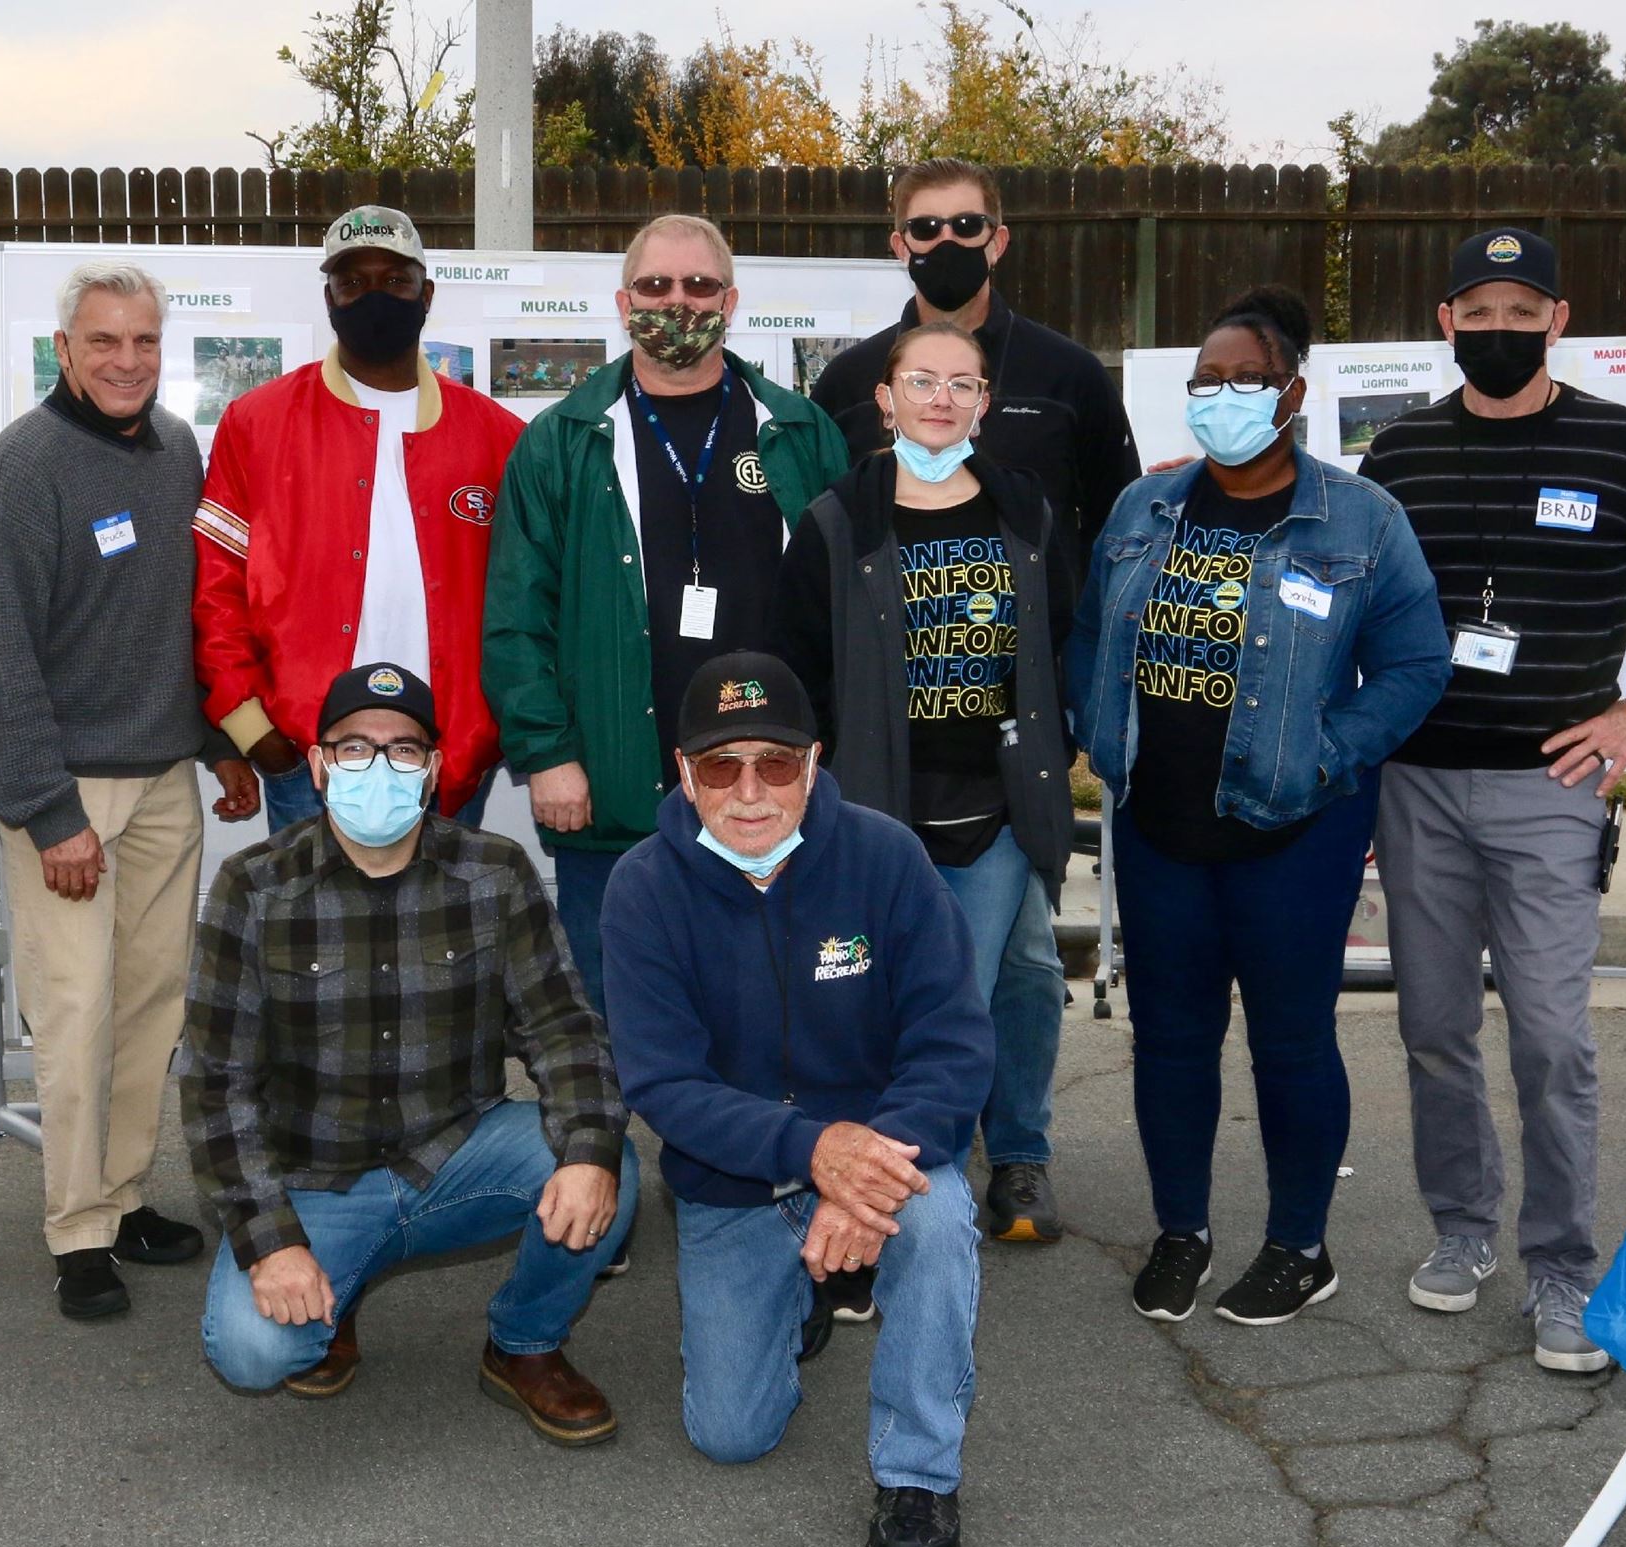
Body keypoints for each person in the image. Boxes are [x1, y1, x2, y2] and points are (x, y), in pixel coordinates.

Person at [1358, 229, 1626, 1372]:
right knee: (1432, 1030)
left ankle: (1558, 1265)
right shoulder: (1395, 455)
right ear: (1444, 321)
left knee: (1550, 1039)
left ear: (1558, 316)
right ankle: (1459, 1232)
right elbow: (1347, 606)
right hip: (1417, 787)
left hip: (1550, 789)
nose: (1498, 330)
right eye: (1476, 311)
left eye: (1519, 309)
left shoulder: (1619, 443)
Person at [1066, 286, 1450, 1328]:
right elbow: (1089, 633)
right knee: (1169, 1041)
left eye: (1245, 379)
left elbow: (1415, 665)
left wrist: (1334, 757)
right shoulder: (1142, 507)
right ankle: (1179, 1232)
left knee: (1288, 1043)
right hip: (1157, 829)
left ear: (1292, 392)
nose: (1222, 395)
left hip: (1295, 833)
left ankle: (1298, 1245)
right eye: (1205, 381)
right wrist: (1101, 736)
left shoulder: (1361, 519)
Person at [602, 652, 993, 1547]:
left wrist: (861, 1176)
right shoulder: (641, 886)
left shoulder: (887, 857)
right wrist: (813, 1150)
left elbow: (952, 1041)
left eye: (775, 764)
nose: (749, 793)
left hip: (879, 1156)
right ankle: (802, 1294)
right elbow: (661, 1084)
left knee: (937, 1222)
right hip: (735, 1181)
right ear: (682, 772)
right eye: (720, 766)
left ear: (813, 763)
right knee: (731, 1434)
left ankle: (918, 1474)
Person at [181, 665, 635, 1443]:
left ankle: (524, 1343)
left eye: (403, 749)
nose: (379, 767)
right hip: (316, 1177)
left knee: (611, 1171)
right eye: (354, 748)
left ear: (433, 769)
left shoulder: (495, 871)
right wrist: (274, 1241)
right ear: (319, 766)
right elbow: (216, 1084)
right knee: (253, 1349)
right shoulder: (252, 885)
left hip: (458, 1154)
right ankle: (334, 1285)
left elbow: (564, 1030)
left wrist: (589, 1152)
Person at [0, 259, 262, 1324]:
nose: (126, 362)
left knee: (150, 1005)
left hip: (166, 781)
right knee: (75, 1012)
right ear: (63, 351)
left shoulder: (178, 449)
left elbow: (184, 620)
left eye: (143, 342)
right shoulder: (20, 472)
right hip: (68, 798)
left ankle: (125, 1195)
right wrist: (49, 813)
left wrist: (225, 742)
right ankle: (76, 1230)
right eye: (103, 343)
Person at [483, 213, 850, 1015]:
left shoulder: (798, 431)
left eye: (698, 286)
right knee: (616, 1010)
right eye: (655, 286)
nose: (676, 303)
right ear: (623, 303)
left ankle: (751, 1143)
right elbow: (516, 615)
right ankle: (607, 1145)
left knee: (772, 1004)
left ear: (731, 300)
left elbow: (846, 610)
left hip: (770, 785)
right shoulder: (562, 441)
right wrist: (547, 754)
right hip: (615, 784)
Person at [778, 320, 1076, 1260]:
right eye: (922, 381)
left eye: (962, 383)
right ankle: (891, 1164)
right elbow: (802, 666)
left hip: (996, 801)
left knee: (996, 982)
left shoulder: (1024, 510)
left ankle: (1008, 1154)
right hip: (882, 805)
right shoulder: (835, 522)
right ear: (886, 397)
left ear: (985, 402)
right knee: (894, 990)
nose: (941, 398)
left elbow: (1056, 636)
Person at [194, 207, 521, 832]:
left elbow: (533, 603)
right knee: (314, 934)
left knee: (445, 933)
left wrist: (492, 734)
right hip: (306, 761)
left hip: (449, 764)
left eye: (395, 281)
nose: (374, 295)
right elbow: (216, 590)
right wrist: (251, 727)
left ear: (427, 295)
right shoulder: (255, 424)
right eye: (353, 282)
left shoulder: (499, 436)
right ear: (329, 298)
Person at [809, 159, 1139, 580]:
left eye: (967, 225)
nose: (947, 242)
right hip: (884, 640)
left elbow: (1117, 526)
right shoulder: (848, 381)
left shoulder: (1071, 374)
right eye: (926, 229)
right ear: (900, 246)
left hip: (1035, 640)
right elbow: (821, 530)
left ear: (997, 242)